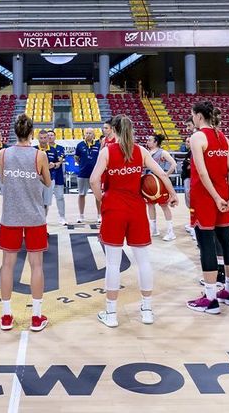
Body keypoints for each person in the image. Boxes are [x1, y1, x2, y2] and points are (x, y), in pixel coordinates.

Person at [90, 114, 178, 328]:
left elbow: (93, 180)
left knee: (112, 263)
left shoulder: (107, 151)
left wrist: (103, 200)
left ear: (114, 130)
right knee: (144, 261)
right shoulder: (141, 151)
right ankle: (147, 310)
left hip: (114, 207)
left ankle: (111, 314)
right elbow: (163, 175)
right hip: (136, 208)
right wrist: (173, 194)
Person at [0, 114, 52, 332]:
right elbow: (48, 183)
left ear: (14, 132)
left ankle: (6, 316)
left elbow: (3, 179)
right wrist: (33, 176)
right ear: (31, 133)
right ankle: (36, 317)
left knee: (7, 265)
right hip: (34, 216)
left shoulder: (3, 153)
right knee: (36, 265)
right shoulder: (40, 155)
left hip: (10, 215)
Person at [186, 101, 229, 315]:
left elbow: (201, 173)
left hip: (206, 197)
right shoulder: (222, 136)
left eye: (192, 116)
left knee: (206, 242)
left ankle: (210, 298)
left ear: (199, 116)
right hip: (224, 195)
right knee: (226, 239)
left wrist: (216, 198)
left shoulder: (197, 137)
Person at [145, 134, 178, 241]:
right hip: (149, 183)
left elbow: (174, 164)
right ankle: (154, 230)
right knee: (150, 205)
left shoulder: (162, 152)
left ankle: (171, 232)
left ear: (155, 142)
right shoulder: (147, 153)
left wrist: (166, 174)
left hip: (160, 183)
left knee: (164, 205)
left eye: (150, 140)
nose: (148, 141)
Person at [74, 128, 101, 224]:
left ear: (94, 135)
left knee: (98, 196)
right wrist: (83, 164)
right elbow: (76, 158)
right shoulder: (80, 145)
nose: (88, 135)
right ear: (84, 135)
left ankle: (99, 215)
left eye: (90, 133)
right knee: (81, 194)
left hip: (96, 174)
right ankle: (81, 216)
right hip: (82, 173)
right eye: (87, 133)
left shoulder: (98, 145)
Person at [45, 131, 67, 225]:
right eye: (48, 135)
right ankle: (43, 219)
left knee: (60, 197)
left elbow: (60, 161)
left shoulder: (60, 148)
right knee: (46, 199)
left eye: (52, 135)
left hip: (58, 176)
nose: (50, 137)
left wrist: (55, 164)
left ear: (55, 136)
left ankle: (62, 217)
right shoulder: (42, 149)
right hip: (45, 177)